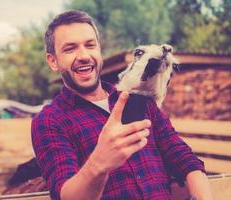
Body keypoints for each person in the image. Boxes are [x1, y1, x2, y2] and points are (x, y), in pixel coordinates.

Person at [31, 10, 213, 200]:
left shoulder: (141, 101)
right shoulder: (49, 120)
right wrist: (98, 164)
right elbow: (64, 196)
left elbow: (183, 158)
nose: (84, 55)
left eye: (90, 45)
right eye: (70, 49)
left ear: (99, 50)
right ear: (53, 61)